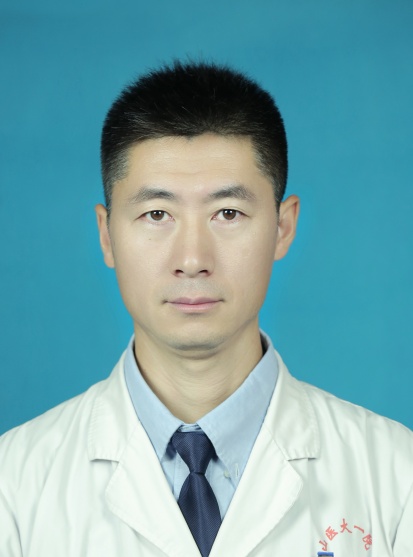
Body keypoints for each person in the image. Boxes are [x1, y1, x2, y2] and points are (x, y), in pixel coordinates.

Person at [0, 61, 412, 557]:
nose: (192, 259)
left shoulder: (395, 476)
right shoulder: (14, 487)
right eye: (157, 214)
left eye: (228, 213)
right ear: (106, 235)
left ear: (282, 227)